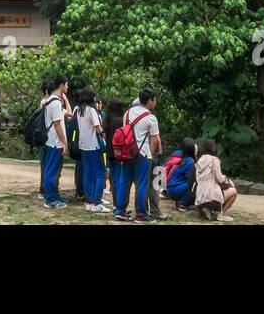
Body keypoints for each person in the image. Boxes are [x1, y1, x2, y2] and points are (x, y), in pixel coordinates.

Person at [113, 88, 160, 222]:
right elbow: (154, 140)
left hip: (127, 152)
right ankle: (140, 214)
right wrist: (150, 155)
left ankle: (120, 210)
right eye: (154, 99)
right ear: (149, 101)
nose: (155, 102)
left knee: (124, 181)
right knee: (142, 184)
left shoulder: (127, 113)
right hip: (142, 154)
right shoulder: (151, 118)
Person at [74, 88, 106, 211]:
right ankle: (96, 201)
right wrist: (103, 134)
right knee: (99, 172)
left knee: (87, 172)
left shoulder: (79, 111)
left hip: (83, 145)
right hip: (93, 145)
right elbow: (98, 129)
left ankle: (89, 201)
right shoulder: (91, 111)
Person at [41, 74, 71, 208]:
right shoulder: (55, 103)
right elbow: (57, 124)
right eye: (66, 84)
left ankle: (53, 195)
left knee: (51, 170)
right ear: (61, 85)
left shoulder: (53, 101)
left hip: (51, 142)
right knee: (51, 171)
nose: (67, 87)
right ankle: (50, 199)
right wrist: (64, 142)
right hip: (54, 142)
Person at [194, 138, 237, 221]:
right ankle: (220, 214)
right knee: (234, 192)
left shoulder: (199, 161)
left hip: (199, 199)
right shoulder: (214, 160)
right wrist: (228, 181)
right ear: (213, 148)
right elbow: (220, 179)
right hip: (212, 198)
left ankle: (205, 209)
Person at [163, 138, 198, 211]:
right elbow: (189, 179)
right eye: (196, 148)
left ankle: (181, 201)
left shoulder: (184, 159)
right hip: (174, 189)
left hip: (171, 189)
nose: (197, 149)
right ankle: (183, 203)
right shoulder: (189, 161)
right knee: (194, 184)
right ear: (191, 149)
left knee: (193, 184)